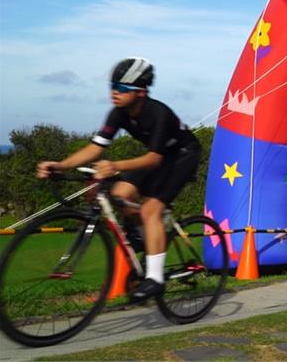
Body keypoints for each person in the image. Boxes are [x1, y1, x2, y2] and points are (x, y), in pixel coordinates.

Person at [36, 58, 202, 303]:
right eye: (112, 86)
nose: (115, 92)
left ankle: (155, 279)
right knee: (121, 193)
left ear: (141, 92)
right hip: (157, 157)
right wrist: (60, 165)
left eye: (122, 88)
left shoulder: (158, 113)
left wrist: (115, 166)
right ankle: (143, 237)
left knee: (150, 210)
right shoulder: (119, 113)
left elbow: (153, 159)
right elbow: (95, 148)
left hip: (183, 156)